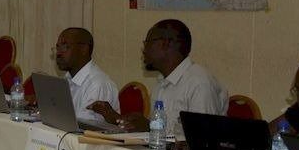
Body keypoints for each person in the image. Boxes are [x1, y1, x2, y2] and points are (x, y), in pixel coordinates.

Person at [90, 19, 226, 134]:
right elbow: (158, 132)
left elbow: (202, 141)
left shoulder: (199, 83)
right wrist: (119, 119)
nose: (143, 50)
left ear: (165, 43)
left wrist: (149, 127)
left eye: (147, 43)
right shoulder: (161, 84)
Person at [53, 27, 118, 127]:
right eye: (58, 48)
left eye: (65, 47)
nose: (58, 53)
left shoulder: (97, 85)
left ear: (83, 49)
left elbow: (85, 130)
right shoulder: (67, 78)